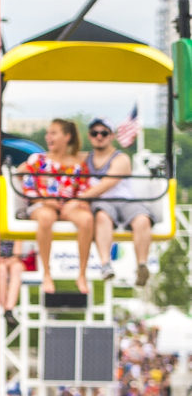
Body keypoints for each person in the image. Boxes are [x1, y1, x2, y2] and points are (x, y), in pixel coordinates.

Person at [14, 119, 93, 294]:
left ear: (67, 137)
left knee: (86, 219)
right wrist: (44, 200)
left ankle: (82, 274)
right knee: (46, 217)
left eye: (53, 133)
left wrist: (75, 202)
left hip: (67, 207)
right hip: (41, 205)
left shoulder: (78, 165)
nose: (48, 137)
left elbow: (84, 190)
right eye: (48, 133)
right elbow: (28, 187)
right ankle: (47, 273)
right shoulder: (38, 160)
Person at [80, 116, 157, 284]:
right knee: (102, 216)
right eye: (95, 133)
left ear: (111, 136)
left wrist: (81, 197)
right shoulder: (84, 158)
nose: (99, 136)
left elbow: (108, 183)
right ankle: (105, 264)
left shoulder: (121, 158)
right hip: (102, 204)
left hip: (125, 200)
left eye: (104, 133)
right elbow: (60, 159)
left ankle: (142, 265)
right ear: (89, 136)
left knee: (143, 219)